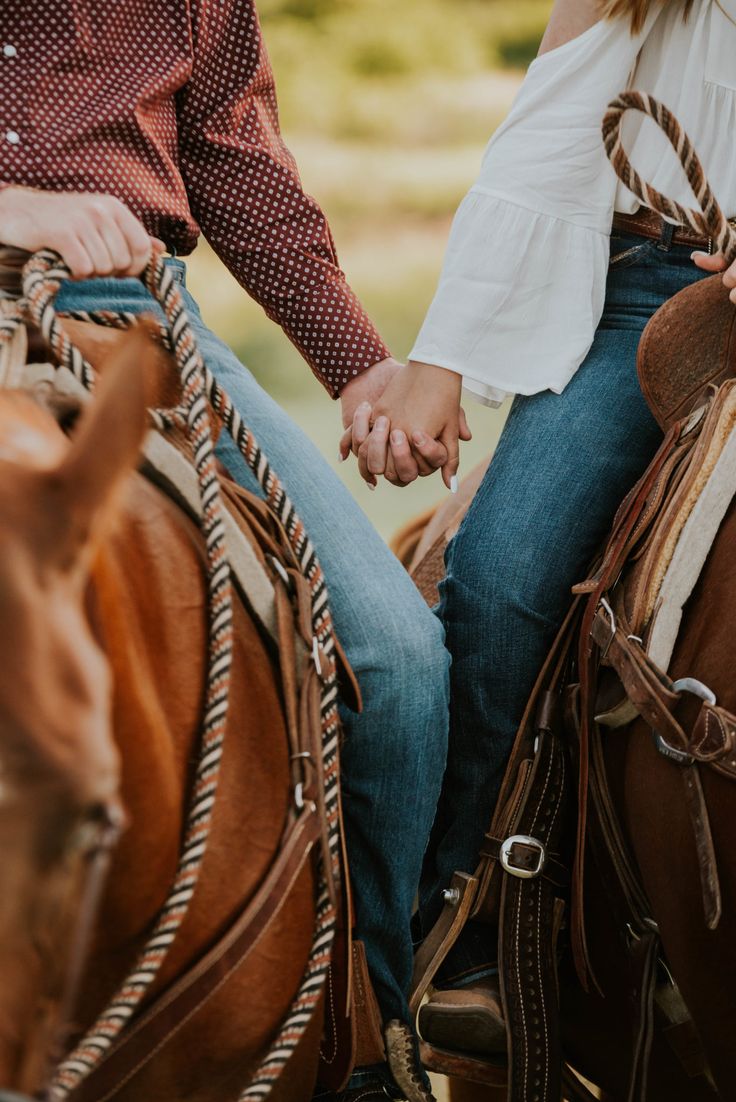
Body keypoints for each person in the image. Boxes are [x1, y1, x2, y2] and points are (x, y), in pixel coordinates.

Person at [0, 4, 450, 1098]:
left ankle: (367, 1027)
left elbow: (233, 155)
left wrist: (360, 369)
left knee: (396, 661)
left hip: (135, 314)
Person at [342, 0, 736, 1055]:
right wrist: (441, 359)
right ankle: (467, 908)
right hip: (659, 289)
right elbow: (552, 123)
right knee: (505, 568)